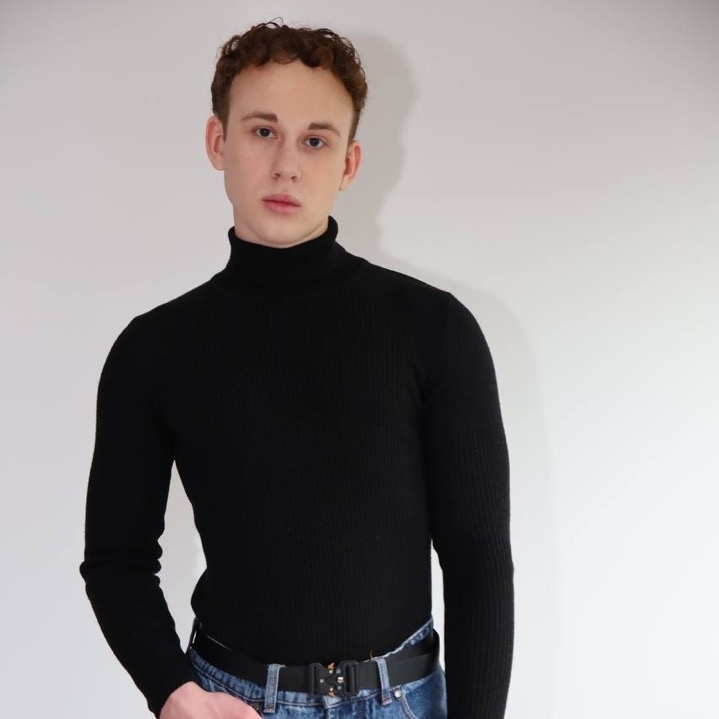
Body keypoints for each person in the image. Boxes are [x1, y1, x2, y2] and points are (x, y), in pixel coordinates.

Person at [80, 20, 514, 719]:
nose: (286, 165)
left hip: (403, 701)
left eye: (315, 140)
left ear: (348, 163)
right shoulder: (153, 349)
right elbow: (116, 560)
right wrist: (173, 692)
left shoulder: (434, 329)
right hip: (230, 702)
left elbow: (477, 559)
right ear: (217, 141)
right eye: (263, 131)